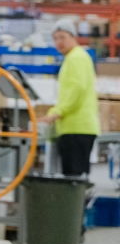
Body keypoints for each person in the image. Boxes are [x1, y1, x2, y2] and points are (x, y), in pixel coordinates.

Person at [40, 19, 100, 176]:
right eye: (55, 38)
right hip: (74, 128)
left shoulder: (76, 58)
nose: (58, 42)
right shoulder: (73, 58)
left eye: (62, 37)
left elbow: (76, 89)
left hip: (76, 128)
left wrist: (57, 112)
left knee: (73, 180)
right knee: (76, 179)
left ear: (73, 37)